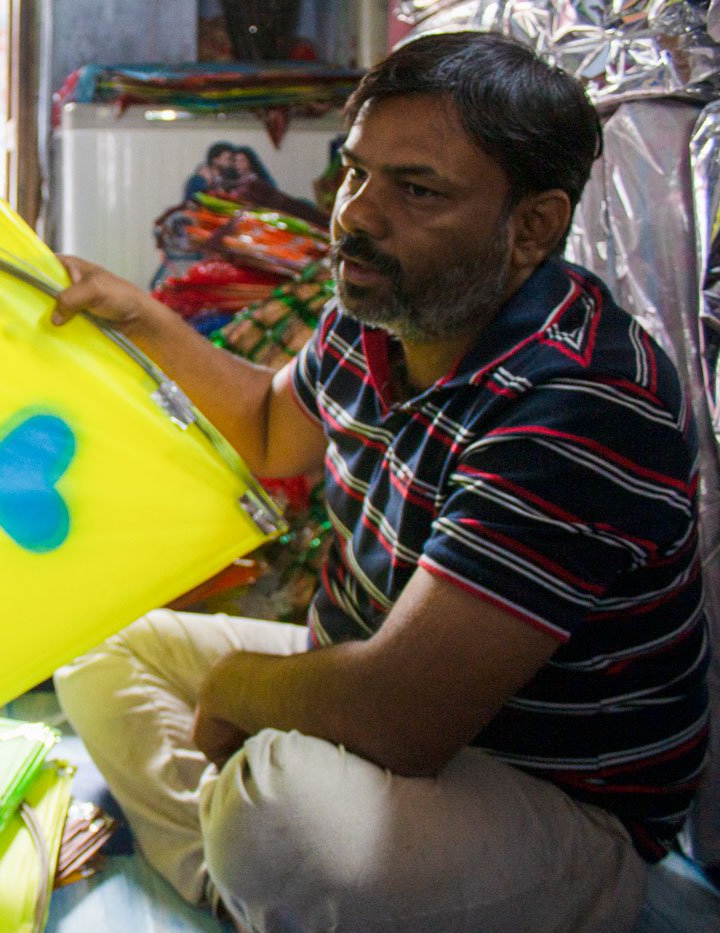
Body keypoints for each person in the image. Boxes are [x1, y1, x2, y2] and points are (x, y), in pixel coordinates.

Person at [51, 31, 710, 932]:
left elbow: (406, 716)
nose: (357, 215)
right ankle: (245, 882)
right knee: (97, 639)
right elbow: (270, 428)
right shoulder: (384, 311)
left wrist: (239, 686)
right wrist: (141, 317)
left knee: (276, 812)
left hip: (548, 796)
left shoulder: (579, 399)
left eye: (416, 189)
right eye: (356, 172)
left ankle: (267, 867)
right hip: (371, 687)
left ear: (533, 226)